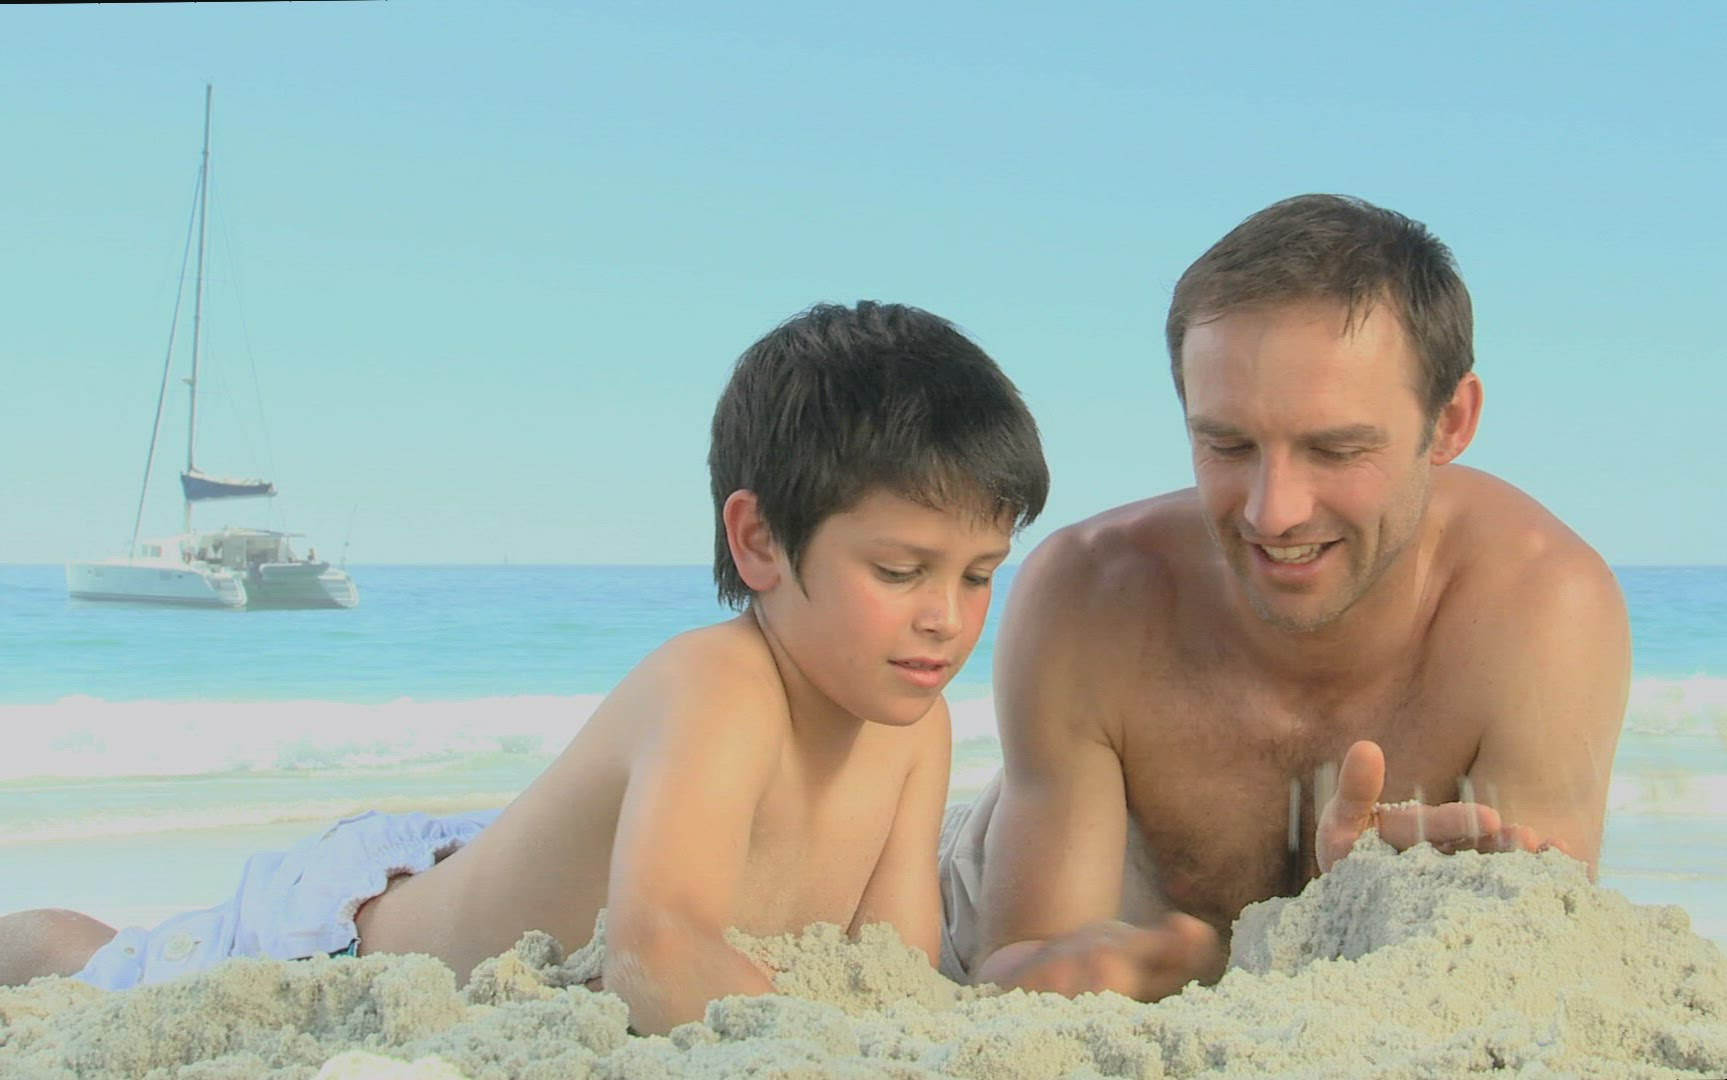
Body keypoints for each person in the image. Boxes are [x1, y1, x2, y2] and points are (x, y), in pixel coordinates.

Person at [0, 301, 1049, 1036]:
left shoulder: (916, 730)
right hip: (337, 941)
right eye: (901, 570)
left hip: (489, 870)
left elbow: (892, 971)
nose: (946, 619)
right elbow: (656, 952)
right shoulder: (719, 689)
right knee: (100, 969)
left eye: (979, 576)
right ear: (761, 541)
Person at [937, 194, 1631, 1000]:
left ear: (1450, 421)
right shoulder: (1089, 596)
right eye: (1227, 444)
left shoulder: (1542, 611)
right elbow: (1017, 971)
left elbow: (1531, 971)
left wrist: (1366, 906)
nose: (1273, 513)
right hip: (964, 886)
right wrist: (1159, 964)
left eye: (1335, 449)